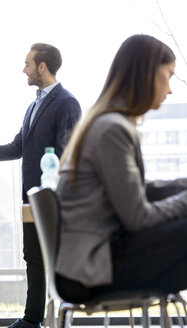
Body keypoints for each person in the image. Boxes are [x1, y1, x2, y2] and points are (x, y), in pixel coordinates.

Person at [54, 34, 187, 303]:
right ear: (148, 72)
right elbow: (138, 217)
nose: (170, 89)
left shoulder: (108, 123)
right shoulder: (112, 129)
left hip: (92, 262)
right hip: (90, 272)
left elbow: (135, 192)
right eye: (169, 75)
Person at [0, 43, 81, 328]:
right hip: (31, 199)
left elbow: (69, 153)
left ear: (42, 66)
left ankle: (58, 318)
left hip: (54, 201)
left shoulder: (67, 102)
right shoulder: (33, 105)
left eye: (28, 63)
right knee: (33, 258)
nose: (23, 69)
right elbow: (19, 146)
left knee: (55, 261)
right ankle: (32, 320)